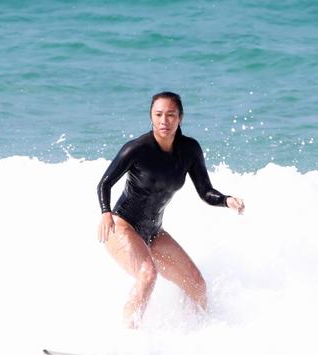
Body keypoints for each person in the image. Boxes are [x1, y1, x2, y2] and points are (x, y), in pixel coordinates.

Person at [97, 91, 245, 328]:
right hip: (122, 226)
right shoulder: (136, 149)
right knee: (148, 274)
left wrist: (226, 200)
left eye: (170, 115)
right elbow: (105, 183)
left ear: (180, 118)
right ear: (151, 117)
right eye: (158, 115)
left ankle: (191, 336)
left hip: (153, 232)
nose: (164, 121)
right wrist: (105, 212)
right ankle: (127, 339)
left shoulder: (189, 150)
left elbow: (206, 191)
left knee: (197, 285)